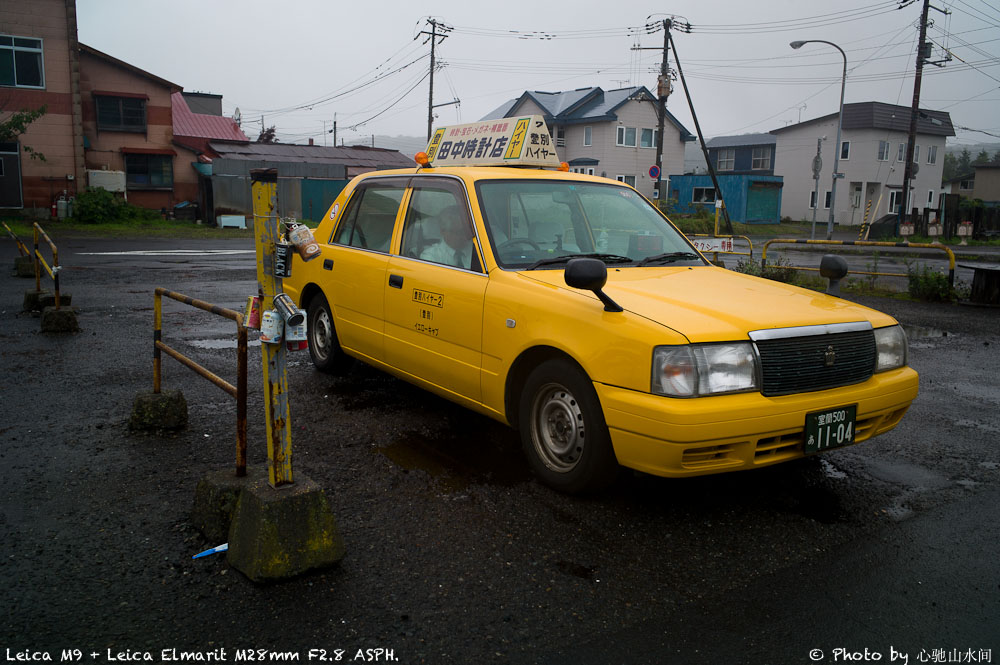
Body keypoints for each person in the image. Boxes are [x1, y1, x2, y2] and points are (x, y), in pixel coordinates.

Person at [421, 205, 476, 269]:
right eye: (456, 232)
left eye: (463, 231)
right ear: (443, 231)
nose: (462, 236)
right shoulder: (431, 257)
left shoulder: (476, 250)